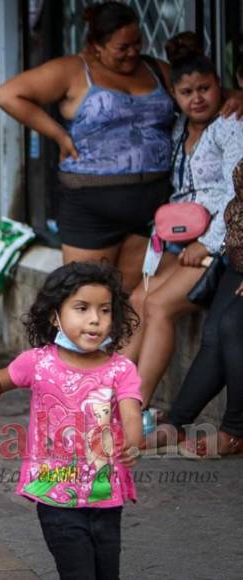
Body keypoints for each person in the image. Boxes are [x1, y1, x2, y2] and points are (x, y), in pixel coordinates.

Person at [0, 2, 242, 292]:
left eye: (138, 43)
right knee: (85, 295)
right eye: (122, 47)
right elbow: (8, 95)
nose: (133, 52)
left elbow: (200, 90)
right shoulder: (74, 69)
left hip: (149, 204)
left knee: (126, 302)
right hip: (91, 207)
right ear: (96, 45)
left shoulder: (153, 69)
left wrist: (237, 97)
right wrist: (59, 135)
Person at [0, 261, 142, 580]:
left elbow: (130, 410)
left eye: (105, 310)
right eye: (82, 308)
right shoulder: (38, 363)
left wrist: (134, 439)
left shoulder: (120, 369)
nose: (95, 319)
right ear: (55, 316)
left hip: (104, 494)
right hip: (55, 494)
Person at [122, 42, 243, 410]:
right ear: (174, 95)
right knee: (138, 298)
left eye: (205, 89)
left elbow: (236, 191)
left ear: (219, 86)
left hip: (213, 242)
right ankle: (108, 396)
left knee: (159, 306)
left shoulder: (231, 124)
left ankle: (134, 408)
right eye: (186, 92)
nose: (197, 99)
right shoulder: (178, 130)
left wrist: (208, 243)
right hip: (177, 237)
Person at [164, 159, 243, 458]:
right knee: (214, 332)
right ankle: (177, 423)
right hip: (237, 260)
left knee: (234, 324)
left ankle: (235, 431)